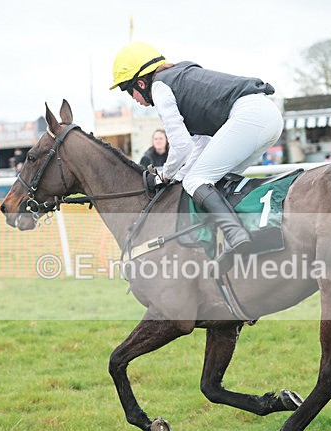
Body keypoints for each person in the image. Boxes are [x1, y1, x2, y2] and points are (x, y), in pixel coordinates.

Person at [110, 41, 282, 268]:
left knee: (197, 180)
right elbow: (200, 144)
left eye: (127, 90)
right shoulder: (180, 78)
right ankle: (244, 234)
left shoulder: (160, 88)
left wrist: (165, 176)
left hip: (251, 116)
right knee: (213, 179)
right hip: (266, 116)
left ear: (141, 83)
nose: (132, 98)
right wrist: (179, 176)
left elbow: (181, 146)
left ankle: (236, 237)